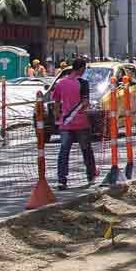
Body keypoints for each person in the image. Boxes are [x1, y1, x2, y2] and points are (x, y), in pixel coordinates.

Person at [51, 57, 97, 190]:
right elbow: (85, 103)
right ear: (81, 68)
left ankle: (62, 180)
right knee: (86, 150)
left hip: (65, 124)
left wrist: (58, 117)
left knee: (64, 152)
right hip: (81, 123)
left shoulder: (61, 83)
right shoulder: (83, 83)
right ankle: (91, 175)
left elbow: (56, 103)